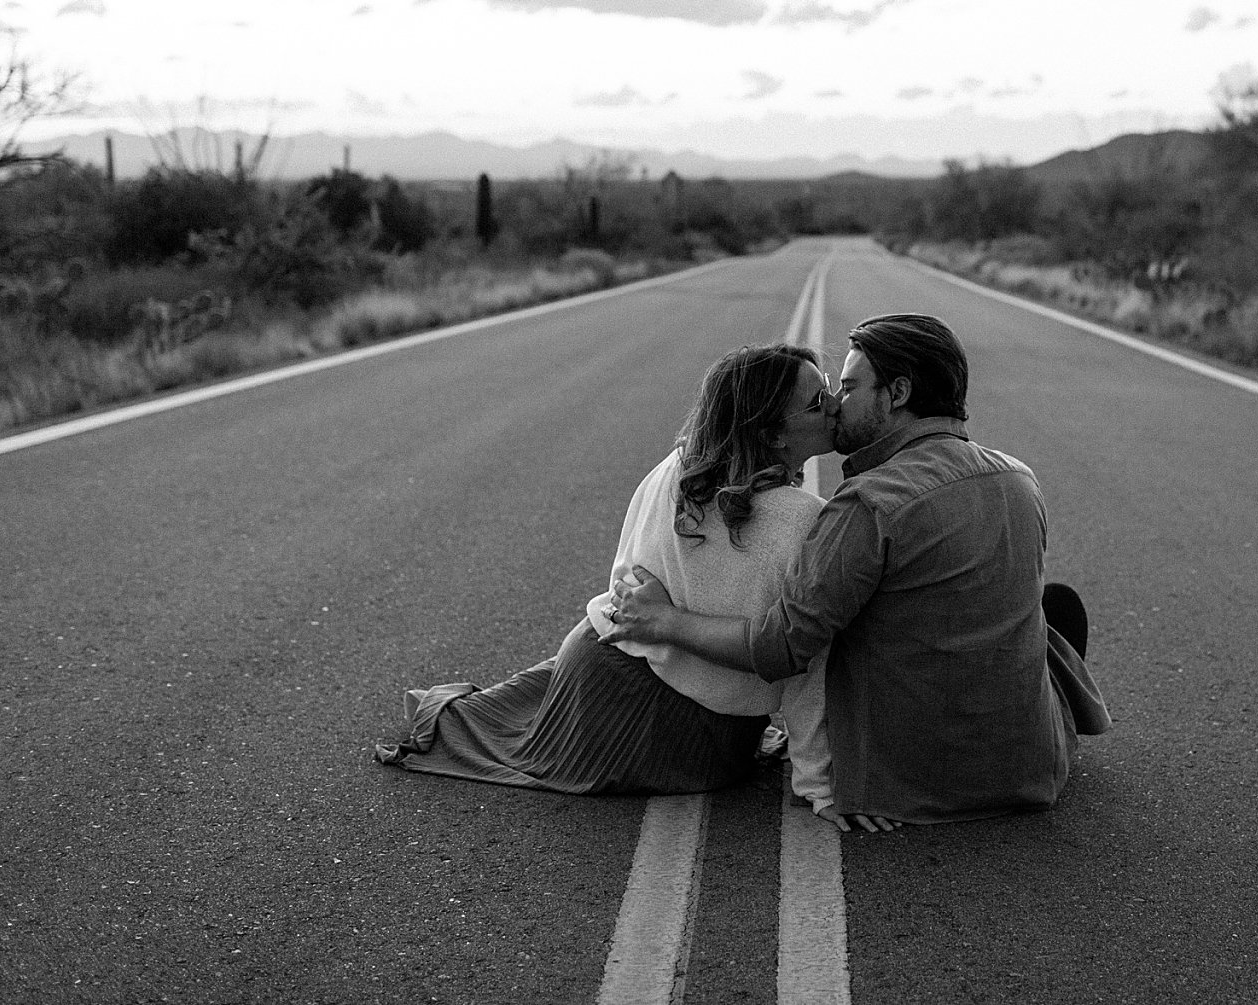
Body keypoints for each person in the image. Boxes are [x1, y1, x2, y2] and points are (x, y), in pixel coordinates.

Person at [602, 313, 1110, 831]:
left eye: (847, 388)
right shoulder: (1019, 477)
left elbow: (780, 649)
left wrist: (666, 622)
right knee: (1040, 607)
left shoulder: (868, 503)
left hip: (910, 783)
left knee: (863, 625)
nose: (836, 405)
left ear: (896, 393)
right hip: (1030, 771)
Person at [376, 343, 837, 801]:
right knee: (490, 732)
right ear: (773, 433)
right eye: (819, 401)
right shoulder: (803, 519)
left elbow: (626, 583)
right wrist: (817, 784)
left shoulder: (683, 464)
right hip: (662, 718)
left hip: (597, 661)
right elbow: (805, 660)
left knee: (491, 720)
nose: (836, 405)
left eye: (832, 389)